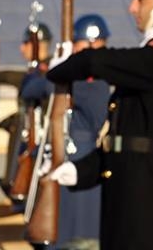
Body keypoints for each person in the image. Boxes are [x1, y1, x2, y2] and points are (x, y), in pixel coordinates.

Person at [45, 0, 153, 250]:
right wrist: (82, 170)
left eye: (139, 0)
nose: (132, 8)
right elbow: (123, 138)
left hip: (143, 192)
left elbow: (96, 60)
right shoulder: (146, 60)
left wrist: (60, 68)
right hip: (126, 185)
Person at [55, 14, 112, 249]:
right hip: (65, 157)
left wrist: (65, 68)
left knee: (83, 235)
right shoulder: (78, 78)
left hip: (83, 160)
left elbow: (49, 84)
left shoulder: (97, 82)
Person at [0, 21, 54, 204]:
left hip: (41, 140)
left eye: (26, 44)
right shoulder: (36, 71)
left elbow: (26, 84)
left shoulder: (49, 70)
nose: (22, 48)